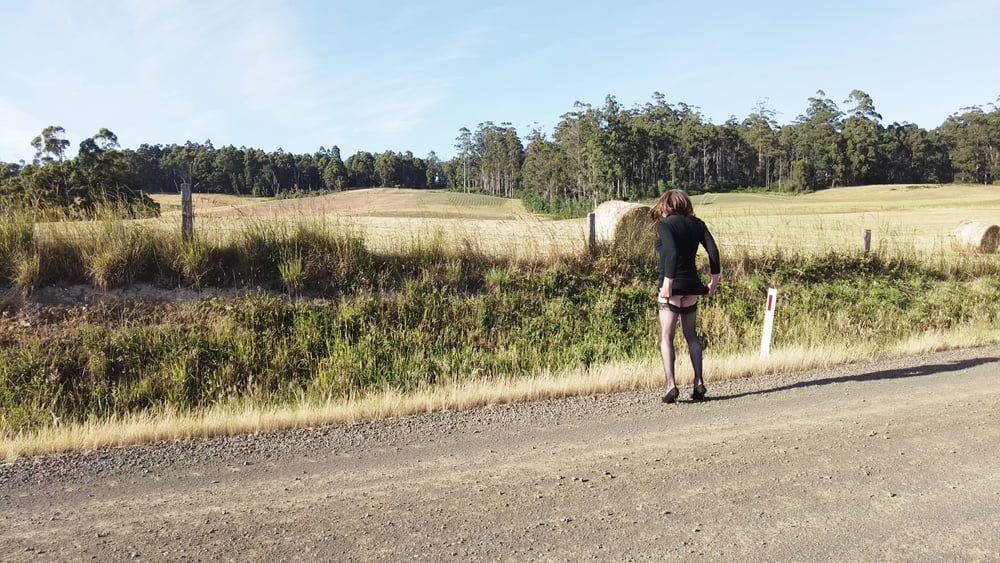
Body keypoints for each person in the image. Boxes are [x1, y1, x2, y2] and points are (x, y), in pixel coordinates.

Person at [652, 189, 721, 404]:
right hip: (692, 286)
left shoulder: (665, 225)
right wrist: (714, 280)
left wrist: (668, 283)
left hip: (671, 287)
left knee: (666, 337)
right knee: (691, 335)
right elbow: (713, 251)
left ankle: (671, 385)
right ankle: (699, 382)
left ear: (666, 205)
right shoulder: (697, 224)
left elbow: (671, 253)